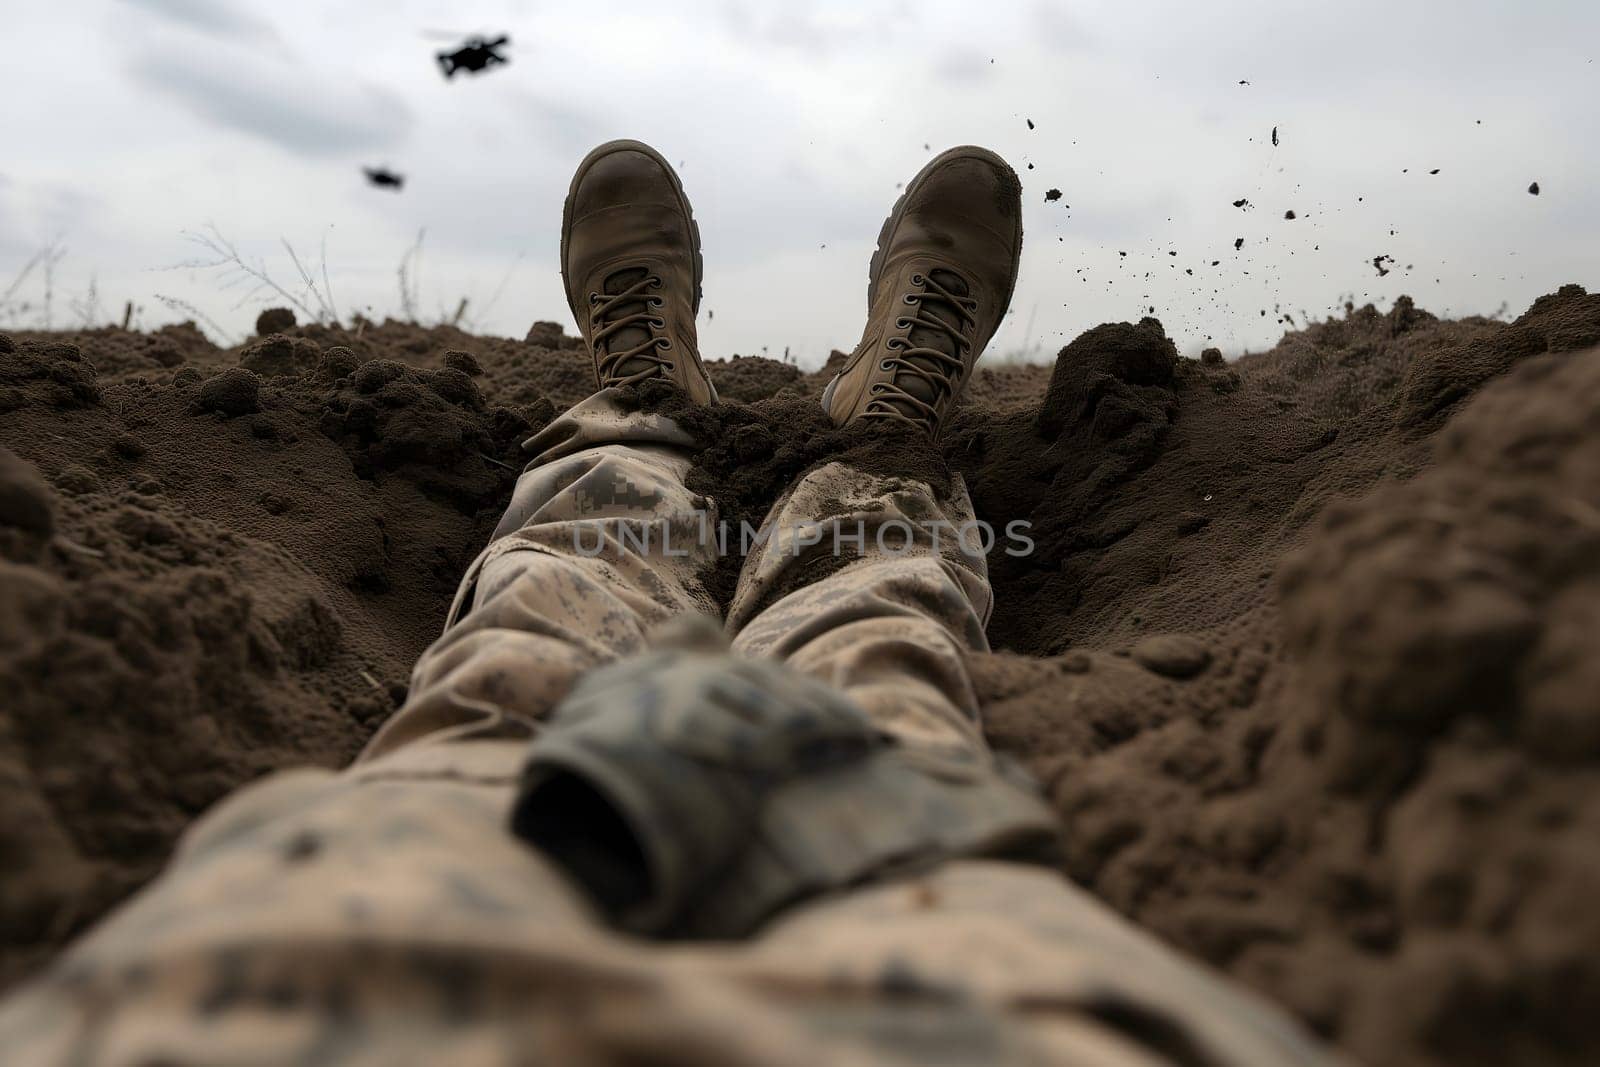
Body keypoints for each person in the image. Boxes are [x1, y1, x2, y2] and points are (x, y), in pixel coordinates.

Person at [0, 141, 1336, 1065]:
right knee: (880, 681)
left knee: (525, 650)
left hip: (324, 945)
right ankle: (866, 462)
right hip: (970, 966)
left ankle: (639, 434)